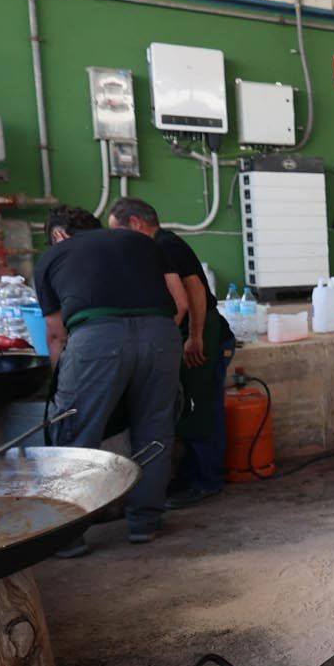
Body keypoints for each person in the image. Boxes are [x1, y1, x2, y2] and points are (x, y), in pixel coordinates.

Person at [36, 205, 186, 552]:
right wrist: (152, 341)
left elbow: (56, 334)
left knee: (74, 434)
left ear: (58, 235)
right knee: (155, 427)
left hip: (96, 338)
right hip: (161, 333)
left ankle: (69, 535)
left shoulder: (54, 255)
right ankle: (144, 523)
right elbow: (178, 302)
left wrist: (64, 380)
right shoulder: (142, 243)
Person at [109, 196, 230, 506]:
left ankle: (207, 480)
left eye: (118, 231)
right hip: (185, 331)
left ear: (135, 223)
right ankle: (191, 476)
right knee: (186, 408)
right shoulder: (155, 248)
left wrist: (195, 337)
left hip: (202, 331)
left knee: (199, 406)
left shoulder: (165, 244)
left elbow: (195, 292)